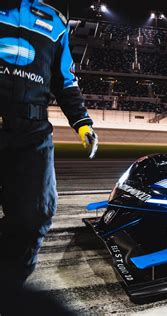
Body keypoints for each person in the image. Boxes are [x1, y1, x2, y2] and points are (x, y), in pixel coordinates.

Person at [0, 0, 98, 286]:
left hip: (33, 134)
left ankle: (8, 291)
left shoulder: (55, 21)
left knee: (35, 216)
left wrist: (82, 123)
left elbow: (65, 80)